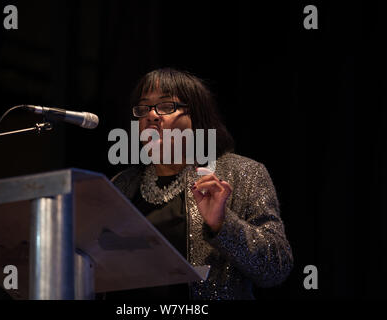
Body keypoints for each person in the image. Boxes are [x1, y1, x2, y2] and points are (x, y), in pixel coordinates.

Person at [107, 68, 293, 300]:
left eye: (166, 106)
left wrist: (223, 225)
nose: (151, 115)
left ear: (197, 117)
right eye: (143, 108)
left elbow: (276, 269)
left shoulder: (241, 173)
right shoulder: (122, 185)